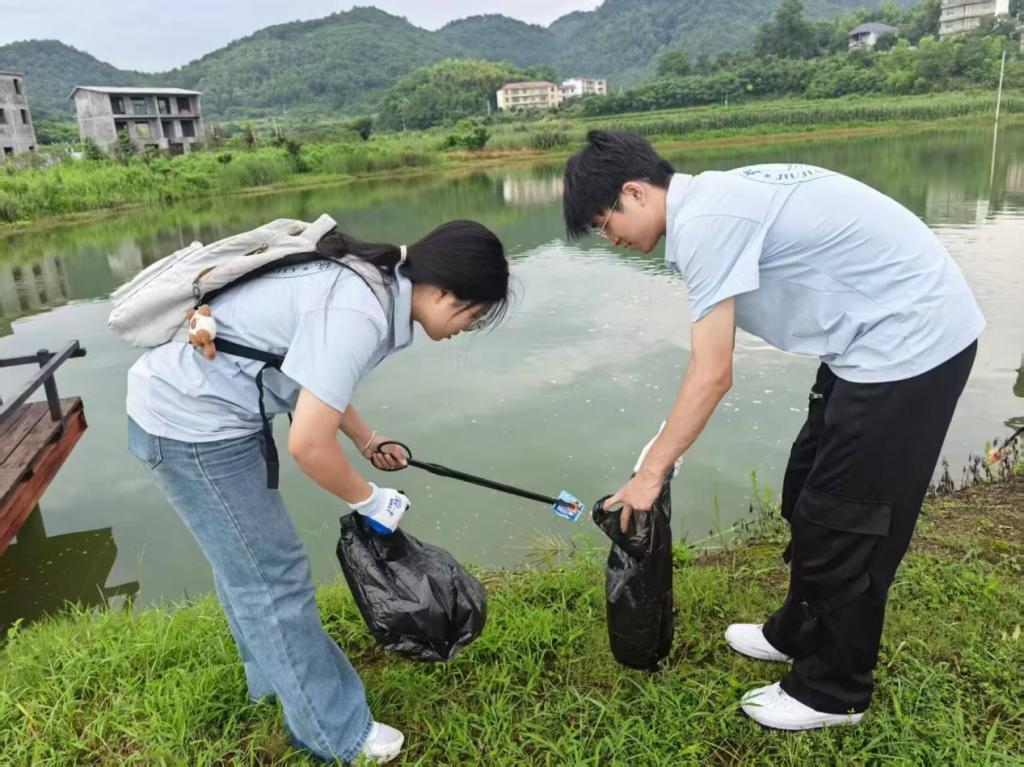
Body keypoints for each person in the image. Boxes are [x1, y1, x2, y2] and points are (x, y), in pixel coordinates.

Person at [562, 130, 983, 730]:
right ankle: (797, 629)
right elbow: (708, 361)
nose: (611, 241)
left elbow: (714, 372)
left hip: (911, 347)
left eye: (605, 224)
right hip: (865, 345)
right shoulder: (709, 205)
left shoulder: (706, 223)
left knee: (846, 520)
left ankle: (834, 693)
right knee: (807, 487)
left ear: (634, 192)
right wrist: (663, 449)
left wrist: (652, 473)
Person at [125, 220, 510, 762]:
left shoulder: (371, 281)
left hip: (195, 413)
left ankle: (271, 683)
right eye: (475, 315)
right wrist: (369, 499)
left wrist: (366, 438)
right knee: (273, 579)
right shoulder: (360, 311)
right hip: (193, 426)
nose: (468, 329)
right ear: (446, 292)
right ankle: (336, 734)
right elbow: (308, 445)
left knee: (248, 569)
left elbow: (313, 372)